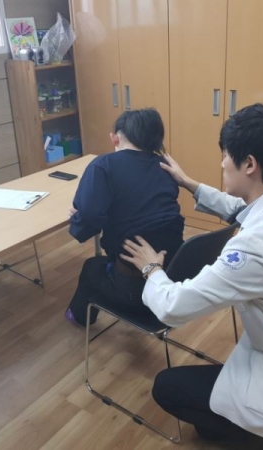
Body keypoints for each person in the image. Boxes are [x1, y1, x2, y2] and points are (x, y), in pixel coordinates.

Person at [121, 104, 263, 449]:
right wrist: (189, 184)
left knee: (167, 387)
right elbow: (244, 209)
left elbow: (173, 307)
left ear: (249, 164)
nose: (223, 163)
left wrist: (152, 269)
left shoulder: (257, 248)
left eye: (225, 155)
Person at [66, 108, 184, 326]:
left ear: (115, 138)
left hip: (135, 292)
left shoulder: (103, 165)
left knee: (91, 267)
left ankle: (79, 318)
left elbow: (88, 220)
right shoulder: (166, 167)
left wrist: (79, 219)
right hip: (174, 279)